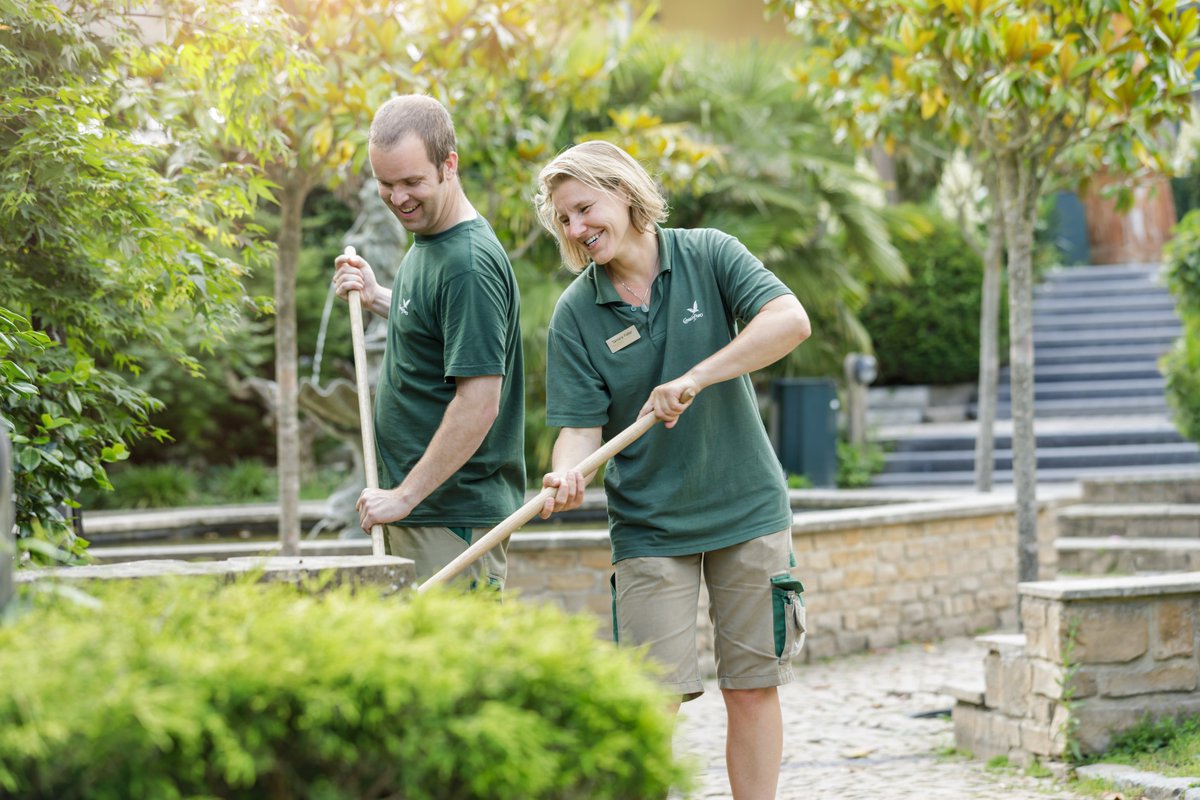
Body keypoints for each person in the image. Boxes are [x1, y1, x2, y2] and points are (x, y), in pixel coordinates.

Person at [533, 140, 810, 800]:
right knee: (649, 701)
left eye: (583, 209)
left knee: (750, 689)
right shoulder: (577, 312)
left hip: (746, 508)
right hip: (650, 526)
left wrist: (695, 376)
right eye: (563, 219)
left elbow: (790, 320)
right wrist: (564, 474)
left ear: (623, 193)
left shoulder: (707, 254)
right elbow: (577, 429)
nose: (575, 229)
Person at [332, 94, 525, 588]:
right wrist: (379, 298)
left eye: (412, 182)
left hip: (450, 515)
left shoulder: (468, 264)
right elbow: (440, 324)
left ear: (448, 165)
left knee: (459, 662)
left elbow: (479, 402)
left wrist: (405, 497)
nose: (398, 198)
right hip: (424, 510)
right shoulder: (432, 242)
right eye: (386, 183)